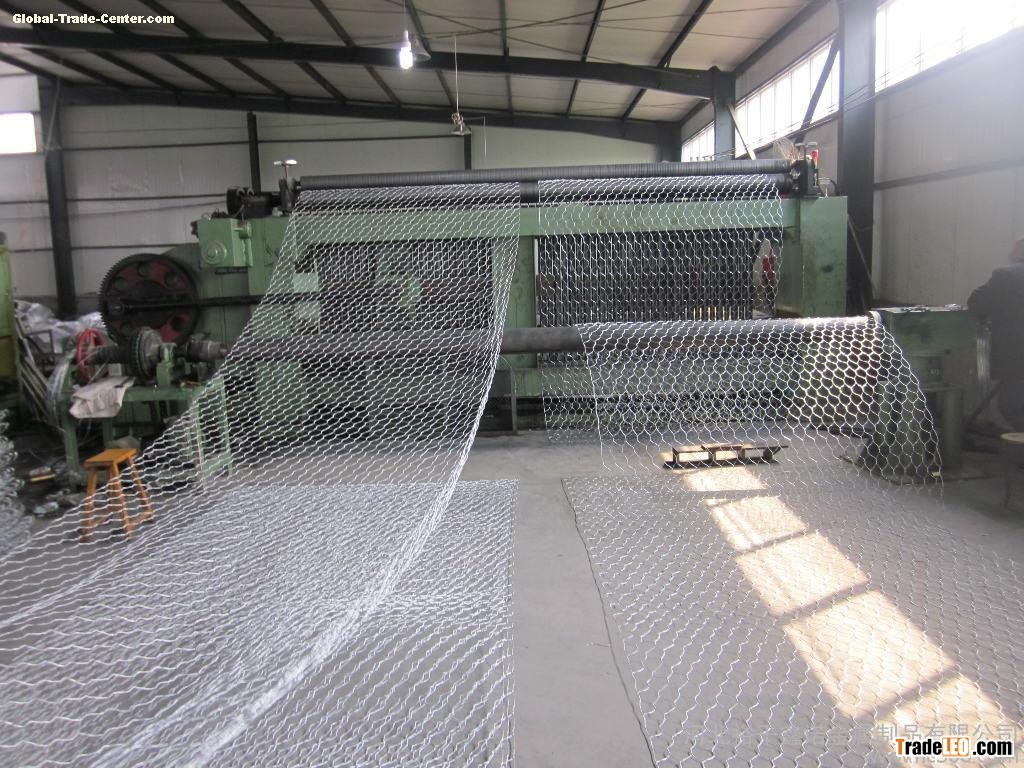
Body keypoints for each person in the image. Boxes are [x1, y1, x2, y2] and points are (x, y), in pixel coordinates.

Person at [968, 237, 1024, 430]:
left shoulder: (1006, 276)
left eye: (1013, 250)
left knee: (1012, 407)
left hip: (1017, 359)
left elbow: (977, 303)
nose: (1009, 255)